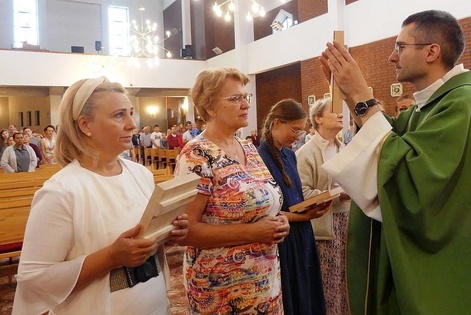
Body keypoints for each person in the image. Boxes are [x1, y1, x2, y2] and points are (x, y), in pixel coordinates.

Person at [319, 10, 471, 314]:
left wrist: (362, 94)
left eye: (400, 47)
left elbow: (414, 179)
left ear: (431, 51)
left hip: (449, 261)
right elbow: (390, 139)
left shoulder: (467, 101)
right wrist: (349, 94)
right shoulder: (425, 108)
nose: (391, 57)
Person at [13, 77, 189, 314]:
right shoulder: (61, 191)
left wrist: (168, 232)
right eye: (119, 115)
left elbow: (145, 241)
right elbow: (33, 279)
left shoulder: (140, 174)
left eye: (131, 113)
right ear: (85, 125)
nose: (131, 124)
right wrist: (111, 257)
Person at [175, 68, 290, 314]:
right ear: (209, 108)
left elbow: (263, 202)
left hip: (264, 281)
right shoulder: (197, 155)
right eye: (235, 98)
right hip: (220, 289)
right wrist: (254, 232)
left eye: (245, 97)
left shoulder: (248, 147)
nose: (245, 104)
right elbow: (185, 232)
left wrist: (280, 222)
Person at [258, 99, 328, 315]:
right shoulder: (260, 157)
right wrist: (304, 216)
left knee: (307, 290)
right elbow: (268, 211)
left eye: (300, 131)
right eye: (294, 130)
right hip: (284, 235)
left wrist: (312, 206)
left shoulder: (289, 154)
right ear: (277, 123)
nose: (297, 137)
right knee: (292, 295)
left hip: (302, 232)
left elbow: (296, 196)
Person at [295, 97, 350, 315]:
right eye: (333, 112)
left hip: (347, 221)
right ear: (318, 118)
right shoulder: (306, 153)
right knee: (328, 282)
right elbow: (303, 192)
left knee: (346, 279)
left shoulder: (343, 147)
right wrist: (337, 195)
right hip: (324, 224)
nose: (340, 115)